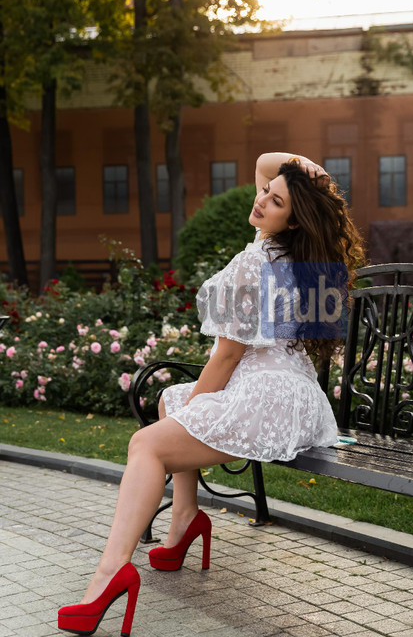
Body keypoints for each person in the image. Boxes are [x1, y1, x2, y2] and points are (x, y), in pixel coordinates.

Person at [57, 152, 364, 636]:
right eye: (266, 191)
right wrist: (310, 174)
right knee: (170, 399)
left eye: (275, 200)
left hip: (266, 397)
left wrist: (193, 414)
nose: (261, 198)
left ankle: (110, 572)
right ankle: (184, 519)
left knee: (147, 444)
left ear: (293, 219)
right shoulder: (292, 254)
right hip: (298, 397)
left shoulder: (255, 261)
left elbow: (227, 356)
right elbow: (265, 163)